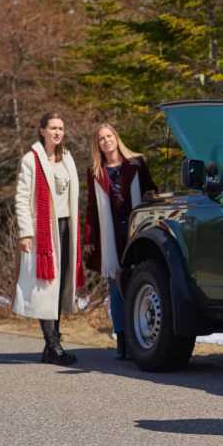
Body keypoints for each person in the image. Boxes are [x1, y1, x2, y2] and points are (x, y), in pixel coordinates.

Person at [13, 112, 84, 365]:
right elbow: (21, 198)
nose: (57, 132)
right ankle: (53, 345)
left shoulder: (67, 158)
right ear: (42, 130)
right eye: (53, 128)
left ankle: (52, 345)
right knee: (46, 287)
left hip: (66, 227)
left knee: (60, 285)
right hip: (43, 231)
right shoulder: (31, 160)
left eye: (61, 128)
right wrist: (25, 232)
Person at [83, 123, 157, 359]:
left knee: (137, 282)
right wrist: (89, 238)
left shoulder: (136, 164)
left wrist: (151, 196)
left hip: (136, 231)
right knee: (116, 287)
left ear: (117, 137)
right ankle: (123, 340)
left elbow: (151, 190)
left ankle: (140, 338)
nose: (106, 141)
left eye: (109, 136)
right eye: (101, 139)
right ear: (98, 145)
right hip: (110, 233)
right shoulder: (95, 172)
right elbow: (92, 208)